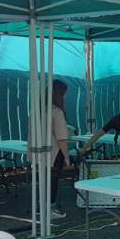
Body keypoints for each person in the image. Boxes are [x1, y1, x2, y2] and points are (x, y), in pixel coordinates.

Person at [50, 79, 73, 220]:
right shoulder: (57, 111)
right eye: (63, 94)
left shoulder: (39, 109)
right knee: (53, 180)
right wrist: (66, 157)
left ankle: (43, 208)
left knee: (44, 180)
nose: (64, 97)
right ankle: (51, 208)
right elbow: (62, 138)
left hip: (41, 151)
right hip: (54, 152)